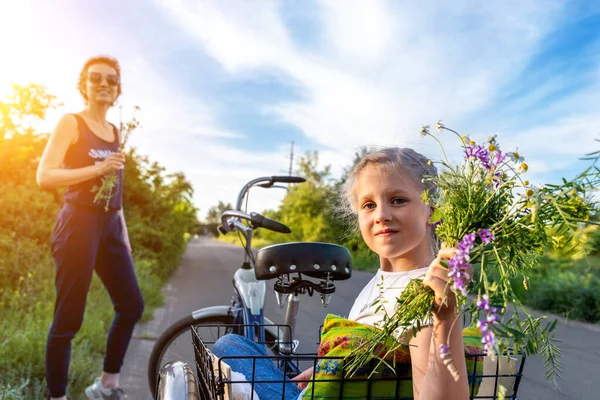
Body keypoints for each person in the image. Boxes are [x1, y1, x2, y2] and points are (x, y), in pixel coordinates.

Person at [211, 147, 471, 400]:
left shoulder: (426, 291)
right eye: (368, 205)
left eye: (398, 200)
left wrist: (446, 319)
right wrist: (325, 372)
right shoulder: (381, 282)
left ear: (431, 212)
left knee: (228, 347)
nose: (381, 215)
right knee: (239, 346)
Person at [36, 56, 144, 400]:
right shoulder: (72, 123)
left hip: (110, 227)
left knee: (131, 306)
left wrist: (122, 233)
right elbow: (45, 176)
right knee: (68, 318)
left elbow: (116, 190)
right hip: (77, 225)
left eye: (111, 80)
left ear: (117, 91)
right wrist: (97, 169)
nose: (103, 84)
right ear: (83, 85)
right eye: (95, 78)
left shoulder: (115, 132)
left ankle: (106, 385)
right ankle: (58, 396)